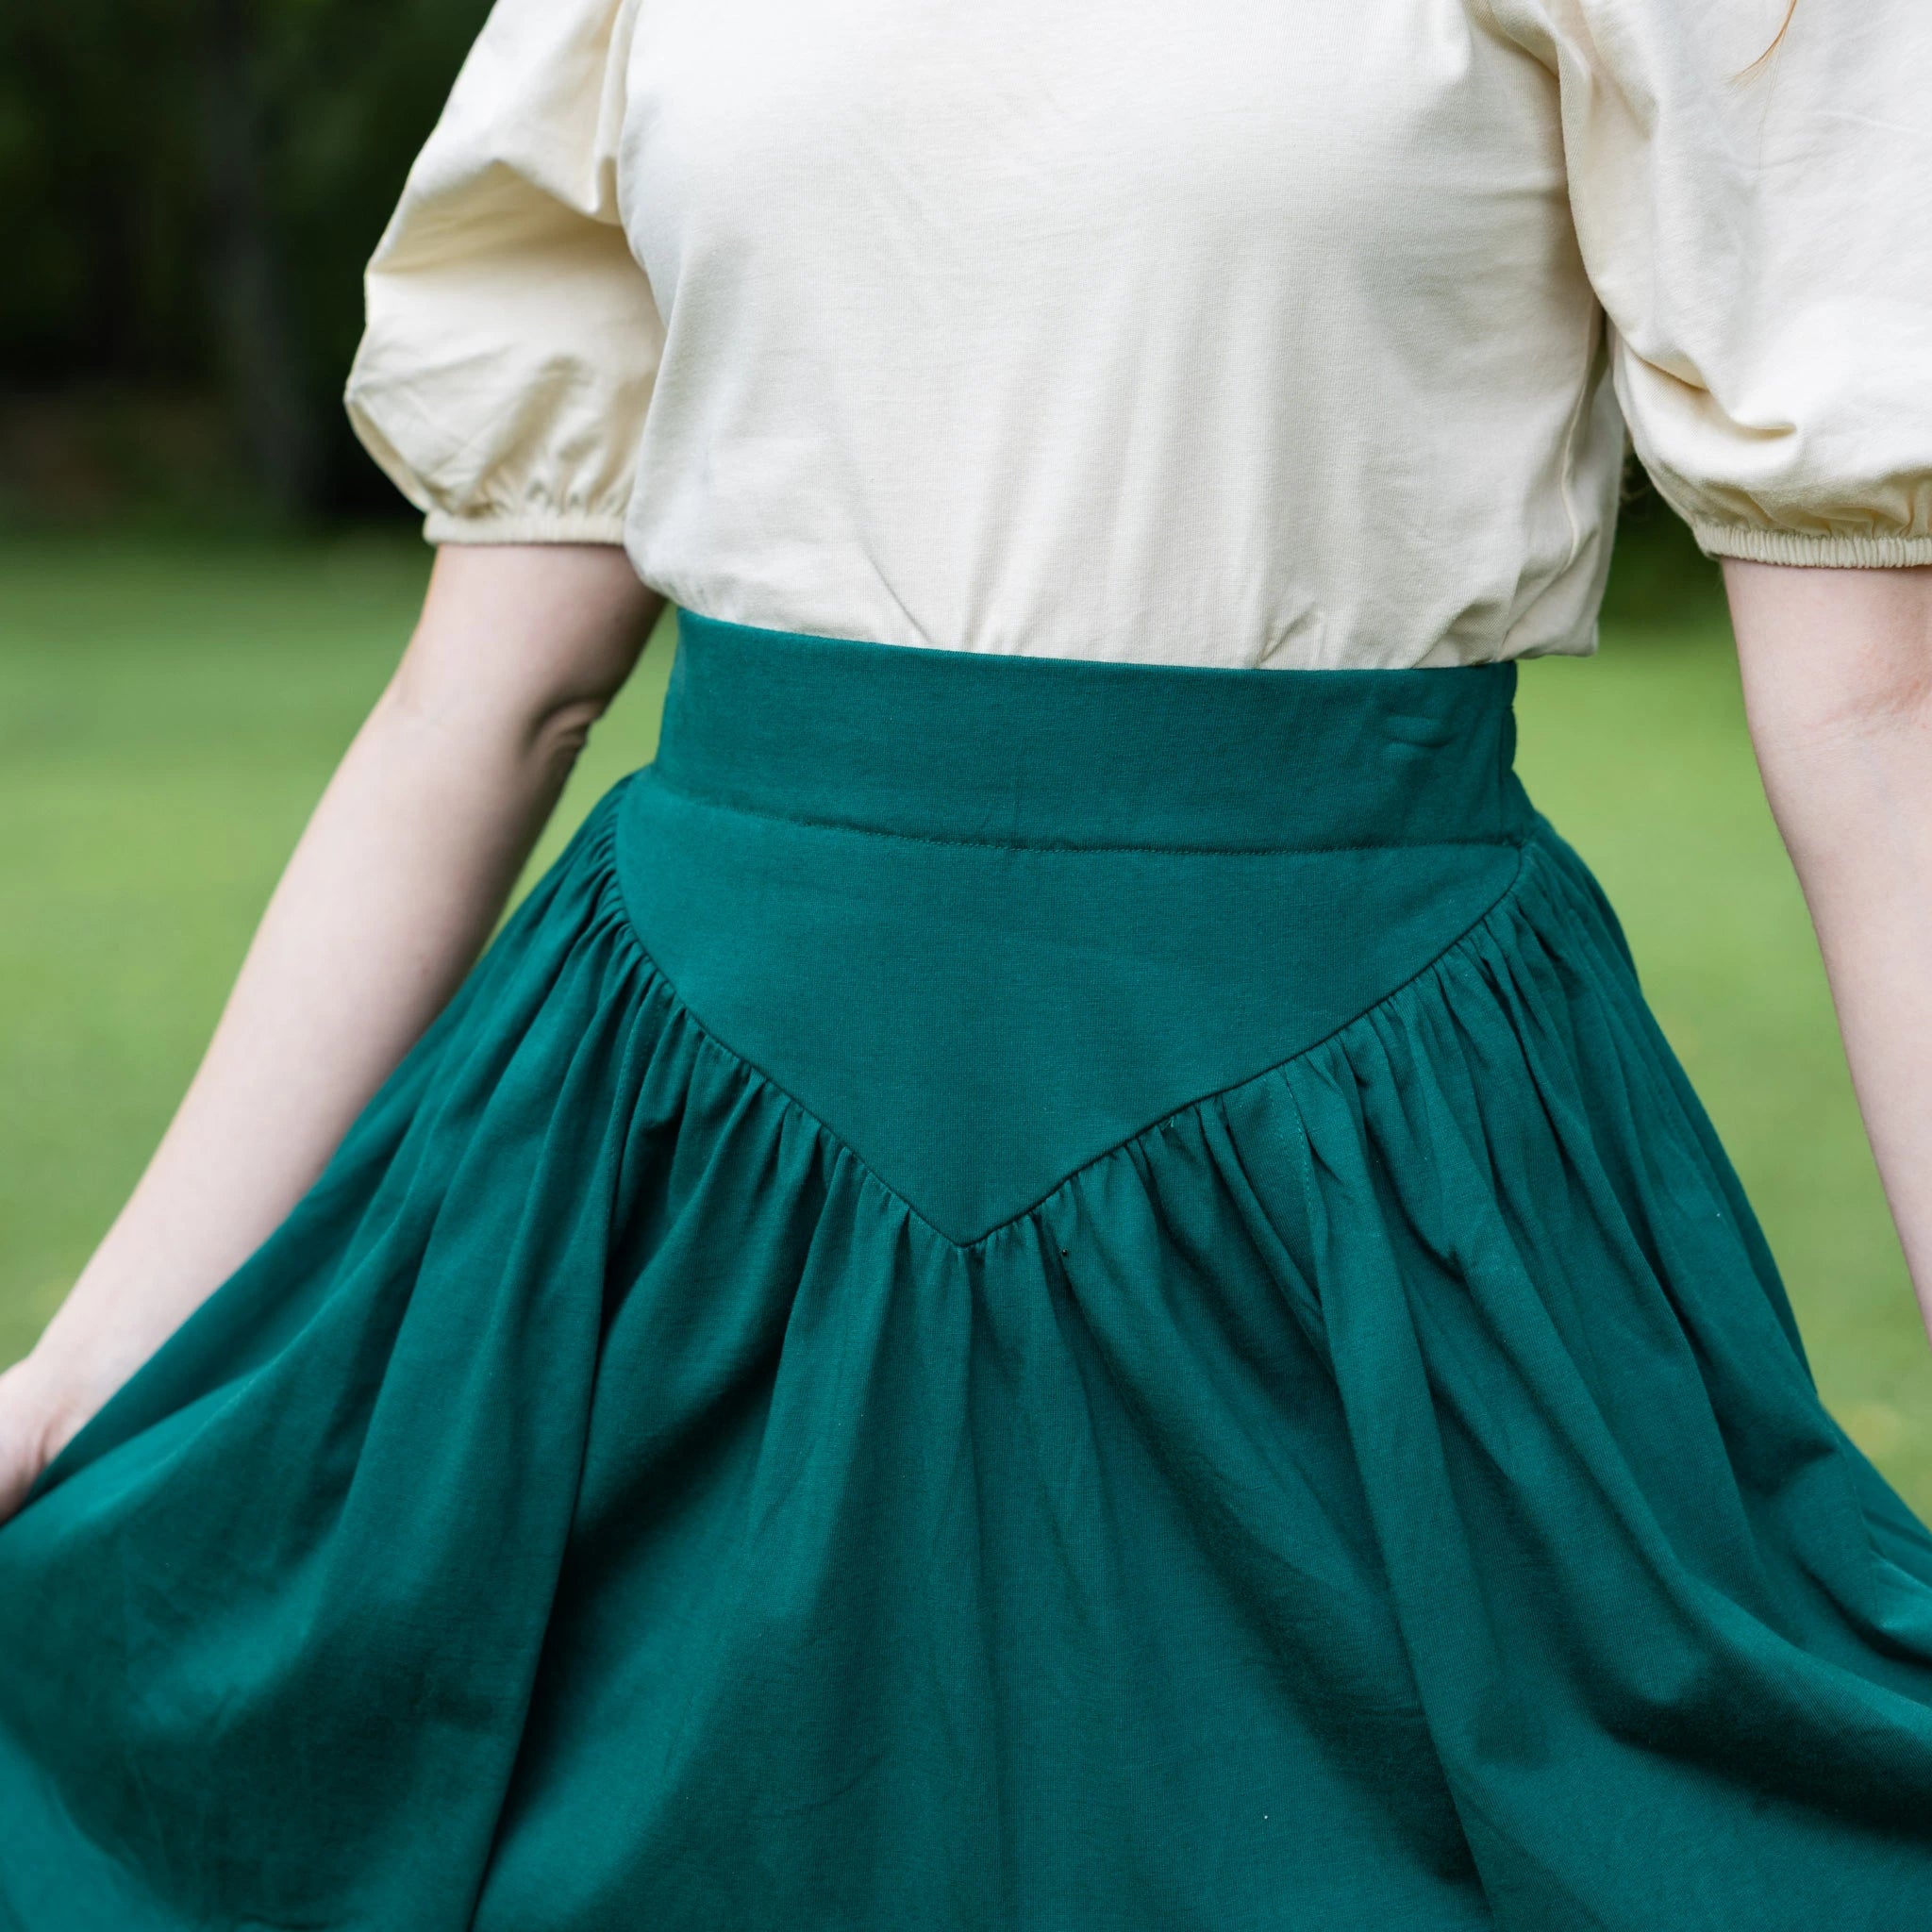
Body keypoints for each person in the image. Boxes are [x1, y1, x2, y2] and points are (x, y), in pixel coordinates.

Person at [3, 0, 1931, 1923]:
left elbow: (1880, 732)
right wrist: (83, 1372)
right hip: (663, 1204)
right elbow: (481, 695)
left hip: (1351, 1216)